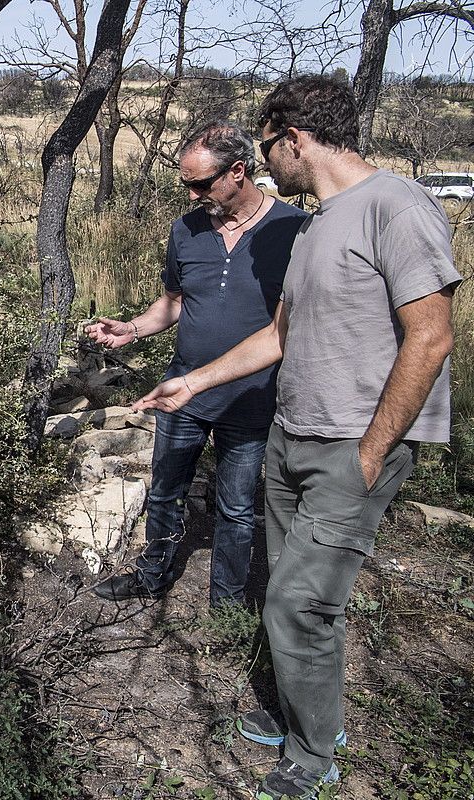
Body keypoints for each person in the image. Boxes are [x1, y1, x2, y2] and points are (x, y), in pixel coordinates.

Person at [135, 76, 461, 800]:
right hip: (293, 436)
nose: (268, 161)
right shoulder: (320, 223)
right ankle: (316, 717)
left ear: (294, 138)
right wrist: (192, 383)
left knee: (293, 603)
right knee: (303, 596)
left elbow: (432, 338)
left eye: (269, 145)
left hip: (352, 444)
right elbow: (279, 334)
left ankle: (313, 759)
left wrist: (373, 451)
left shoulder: (396, 206)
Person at [87, 120, 308, 608]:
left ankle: (226, 603)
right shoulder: (185, 230)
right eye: (185, 183)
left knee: (235, 505)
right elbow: (174, 303)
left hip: (252, 397)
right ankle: (152, 575)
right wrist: (132, 328)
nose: (191, 196)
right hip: (181, 387)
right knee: (165, 490)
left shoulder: (293, 230)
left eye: (200, 184)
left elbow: (287, 327)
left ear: (238, 172)